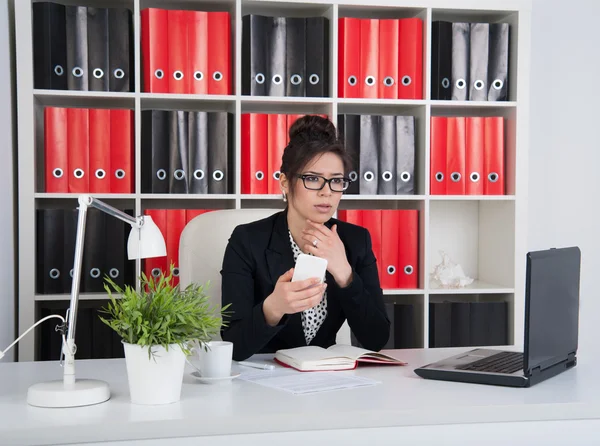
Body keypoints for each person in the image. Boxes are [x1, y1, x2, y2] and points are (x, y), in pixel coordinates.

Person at [220, 115, 390, 361]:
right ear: (285, 183)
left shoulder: (356, 241)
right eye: (312, 179)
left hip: (327, 379)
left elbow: (377, 339)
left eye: (336, 181)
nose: (326, 191)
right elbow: (234, 345)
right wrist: (274, 307)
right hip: (263, 379)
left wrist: (345, 273)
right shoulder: (246, 240)